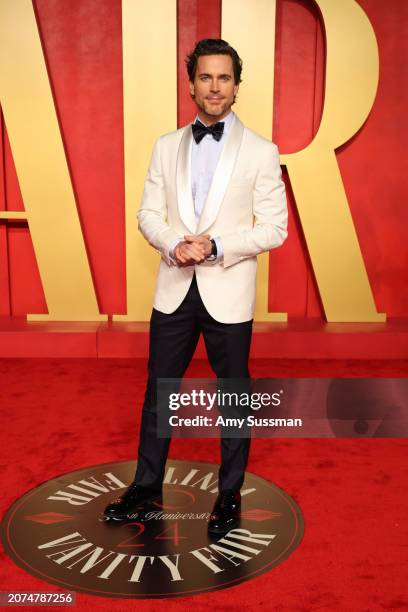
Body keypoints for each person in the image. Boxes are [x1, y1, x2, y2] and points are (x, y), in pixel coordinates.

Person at [104, 38, 288, 533]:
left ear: (236, 85)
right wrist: (173, 243)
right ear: (191, 85)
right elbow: (147, 214)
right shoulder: (166, 146)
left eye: (224, 78)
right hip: (174, 287)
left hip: (228, 290)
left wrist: (216, 246)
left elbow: (275, 227)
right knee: (159, 393)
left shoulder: (261, 150)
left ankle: (229, 496)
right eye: (205, 77)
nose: (214, 87)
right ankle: (145, 489)